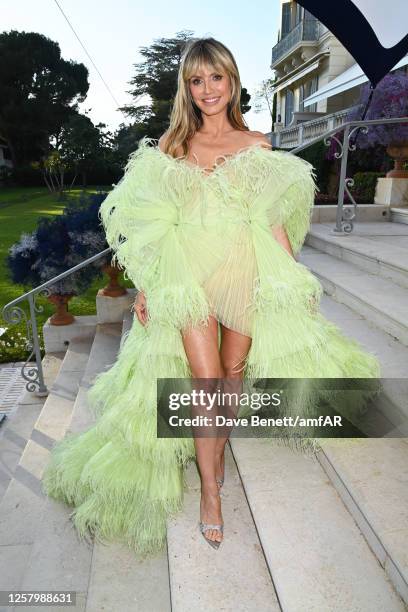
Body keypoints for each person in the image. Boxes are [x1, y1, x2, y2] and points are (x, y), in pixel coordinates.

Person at [41, 37, 381, 554]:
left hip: (243, 267)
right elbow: (154, 225)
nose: (207, 90)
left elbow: (268, 219)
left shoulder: (257, 145)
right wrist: (149, 285)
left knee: (232, 373)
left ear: (232, 81)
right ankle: (210, 490)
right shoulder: (171, 147)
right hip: (189, 273)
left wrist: (291, 280)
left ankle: (214, 449)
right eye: (196, 81)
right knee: (205, 378)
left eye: (215, 78)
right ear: (187, 88)